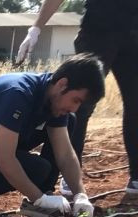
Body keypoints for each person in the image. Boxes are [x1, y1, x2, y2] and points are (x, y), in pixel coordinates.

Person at [0, 54, 105, 217]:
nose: (74, 108)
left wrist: (80, 194)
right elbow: (4, 160)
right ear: (62, 85)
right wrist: (39, 198)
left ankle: (42, 195)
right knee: (37, 168)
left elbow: (64, 155)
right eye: (75, 100)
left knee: (68, 121)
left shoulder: (52, 98)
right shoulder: (18, 94)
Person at [17, 0, 138, 200]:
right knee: (79, 103)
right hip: (98, 30)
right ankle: (70, 175)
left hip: (134, 31)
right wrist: (36, 28)